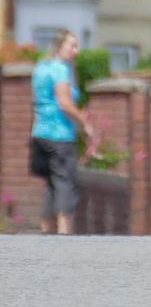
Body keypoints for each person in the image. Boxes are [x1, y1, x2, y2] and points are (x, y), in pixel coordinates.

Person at [30, 31, 91, 235]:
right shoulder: (59, 70)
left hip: (40, 133)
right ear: (59, 47)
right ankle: (65, 233)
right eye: (72, 46)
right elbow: (64, 103)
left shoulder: (40, 67)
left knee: (51, 184)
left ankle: (47, 232)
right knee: (66, 183)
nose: (76, 51)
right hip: (60, 134)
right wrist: (84, 120)